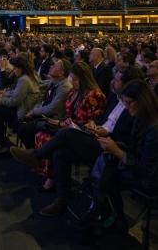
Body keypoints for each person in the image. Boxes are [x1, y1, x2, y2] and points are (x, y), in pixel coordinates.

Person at [9, 66, 145, 217]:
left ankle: (36, 155)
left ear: (127, 84)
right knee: (60, 152)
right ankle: (63, 199)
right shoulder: (115, 98)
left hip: (112, 150)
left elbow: (130, 140)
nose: (113, 82)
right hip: (100, 137)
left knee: (66, 133)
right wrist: (96, 126)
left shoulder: (134, 106)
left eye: (117, 80)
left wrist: (107, 135)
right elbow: (104, 120)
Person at [82, 79, 158, 227]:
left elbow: (146, 171)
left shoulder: (154, 128)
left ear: (142, 100)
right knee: (107, 161)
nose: (126, 107)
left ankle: (101, 213)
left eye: (128, 103)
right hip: (140, 167)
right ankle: (105, 215)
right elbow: (133, 147)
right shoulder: (141, 118)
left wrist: (117, 151)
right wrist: (114, 145)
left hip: (151, 180)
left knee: (108, 170)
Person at [32, 62, 106, 192]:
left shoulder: (94, 95)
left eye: (76, 79)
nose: (73, 82)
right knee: (40, 135)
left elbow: (83, 121)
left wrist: (61, 123)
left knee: (48, 140)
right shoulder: (73, 91)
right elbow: (69, 115)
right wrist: (60, 122)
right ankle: (47, 174)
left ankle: (48, 176)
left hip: (85, 134)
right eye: (72, 78)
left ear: (84, 78)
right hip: (69, 127)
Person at [0, 56, 41, 156]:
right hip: (21, 107)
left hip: (23, 111)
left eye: (15, 68)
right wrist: (3, 95)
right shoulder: (26, 76)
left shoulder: (24, 79)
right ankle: (0, 145)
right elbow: (14, 92)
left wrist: (0, 100)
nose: (14, 70)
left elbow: (15, 101)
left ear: (21, 68)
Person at [16, 59, 72, 149]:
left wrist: (34, 112)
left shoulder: (65, 87)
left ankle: (35, 154)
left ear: (61, 73)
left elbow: (52, 108)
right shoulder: (53, 82)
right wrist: (34, 110)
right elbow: (41, 99)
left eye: (55, 66)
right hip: (42, 113)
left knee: (22, 129)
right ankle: (33, 151)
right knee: (17, 123)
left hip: (51, 118)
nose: (51, 66)